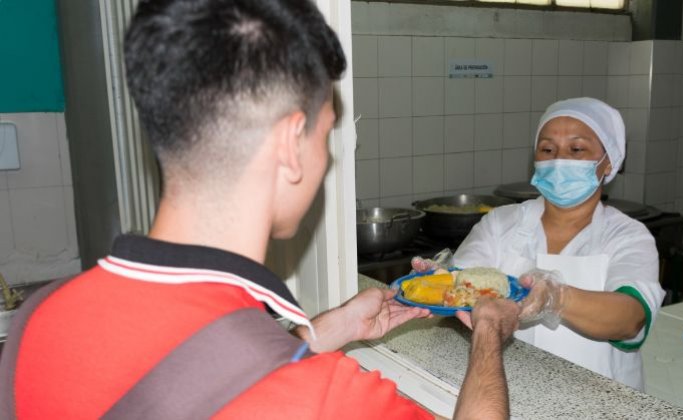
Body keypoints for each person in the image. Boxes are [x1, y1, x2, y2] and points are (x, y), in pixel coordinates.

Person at [0, 0, 520, 419]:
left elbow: (202, 368)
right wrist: (488, 336)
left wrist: (320, 334)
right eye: (326, 131)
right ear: (291, 144)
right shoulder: (323, 399)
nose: (327, 156)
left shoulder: (36, 319)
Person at [452, 97, 665, 390]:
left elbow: (630, 318)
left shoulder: (628, 235)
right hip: (508, 392)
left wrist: (556, 298)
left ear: (609, 163)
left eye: (576, 149)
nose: (559, 160)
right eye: (547, 149)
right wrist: (436, 283)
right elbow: (459, 287)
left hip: (601, 400)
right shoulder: (501, 223)